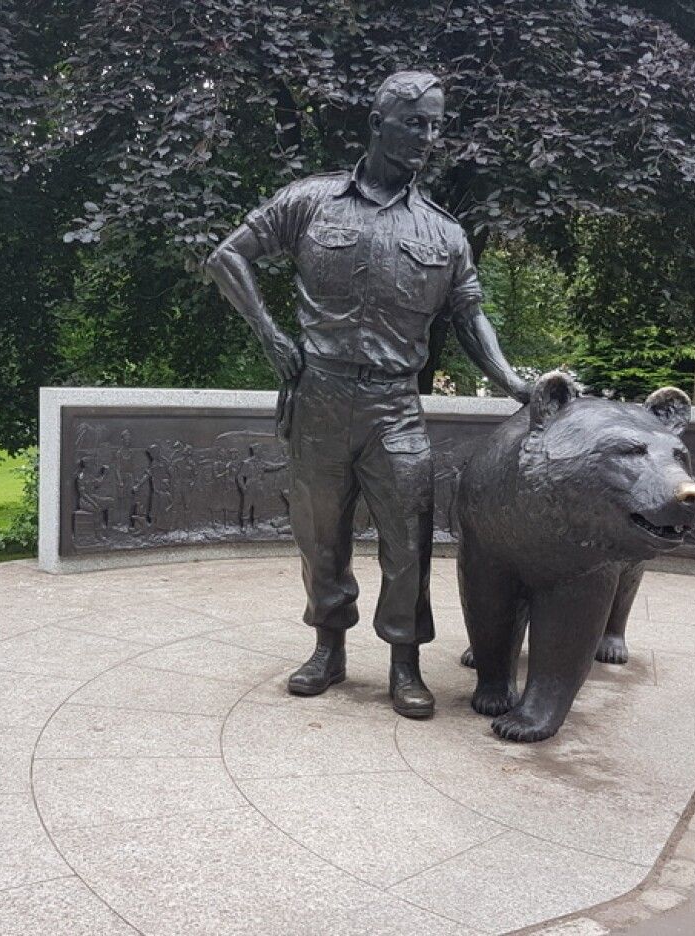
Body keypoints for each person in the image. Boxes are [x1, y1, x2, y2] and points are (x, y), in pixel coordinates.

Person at [206, 70, 530, 719]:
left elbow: (470, 318)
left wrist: (517, 383)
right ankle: (328, 651)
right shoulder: (311, 200)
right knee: (319, 535)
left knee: (407, 540)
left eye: (435, 125)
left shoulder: (443, 232)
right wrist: (272, 340)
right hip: (318, 397)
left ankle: (405, 666)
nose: (428, 136)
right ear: (379, 123)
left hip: (394, 406)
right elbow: (227, 257)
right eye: (417, 122)